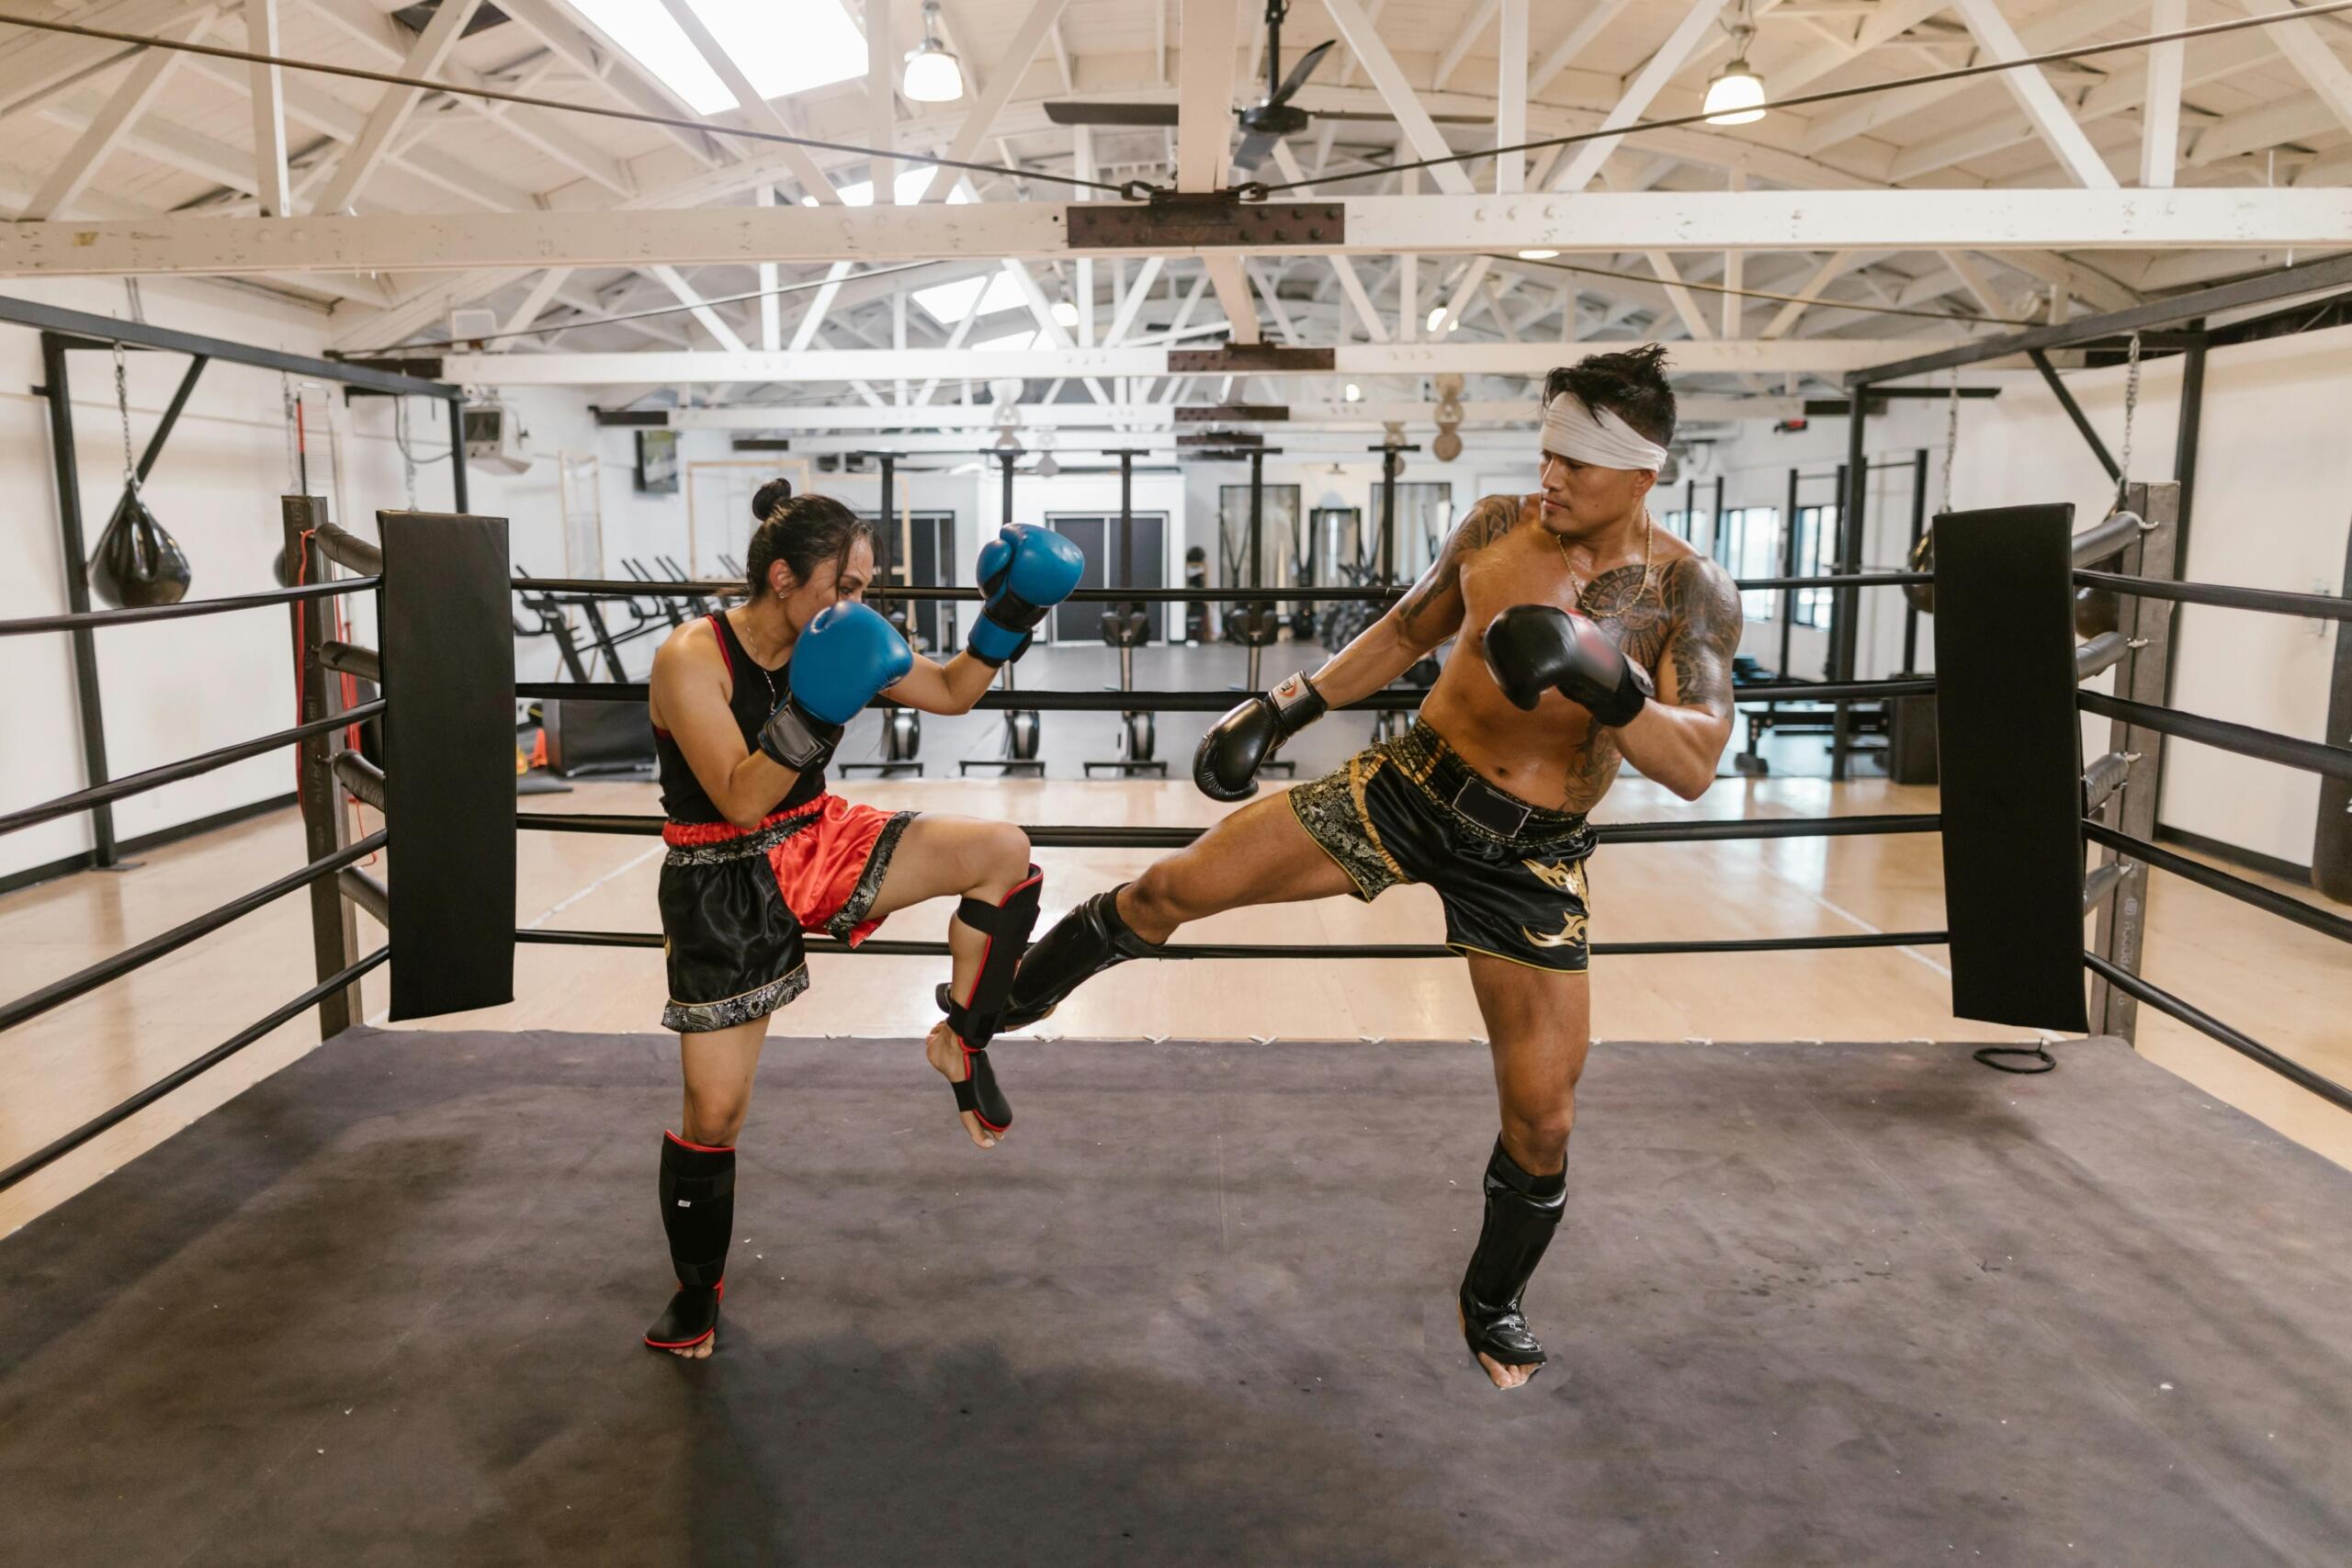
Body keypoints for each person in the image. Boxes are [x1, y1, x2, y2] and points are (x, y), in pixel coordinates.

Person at [1002, 345, 1745, 1390]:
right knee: (1174, 887)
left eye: (1576, 464)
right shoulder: (1493, 528)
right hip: (1407, 786)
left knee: (1543, 1116)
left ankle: (1491, 1303)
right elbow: (1404, 630)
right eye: (1546, 455)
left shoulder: (1686, 591)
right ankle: (994, 1012)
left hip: (1528, 859)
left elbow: (1697, 762)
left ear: (1641, 471)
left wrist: (1606, 679)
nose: (1552, 480)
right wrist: (1280, 708)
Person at [642, 482, 1083, 1355]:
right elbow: (735, 800)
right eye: (843, 588)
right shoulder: (692, 657)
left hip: (816, 833)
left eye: (864, 589)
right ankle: (697, 1292)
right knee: (716, 1111)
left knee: (1003, 848)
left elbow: (955, 691)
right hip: (722, 874)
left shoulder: (837, 637)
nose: (857, 607)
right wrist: (816, 704)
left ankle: (963, 1038)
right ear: (781, 577)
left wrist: (1014, 608)